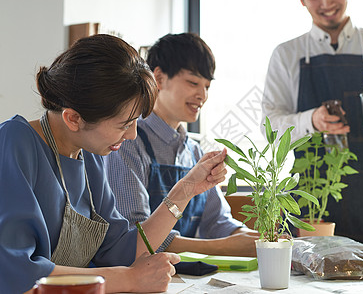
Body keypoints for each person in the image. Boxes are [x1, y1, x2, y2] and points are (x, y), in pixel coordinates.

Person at [0, 34, 228, 293]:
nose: (132, 135)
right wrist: (129, 279)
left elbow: (120, 252)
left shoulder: (89, 155)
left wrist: (185, 191)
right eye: (124, 124)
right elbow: (14, 273)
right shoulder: (13, 142)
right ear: (73, 118)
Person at [260, 0, 363, 244]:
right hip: (312, 197)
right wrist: (311, 120)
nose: (326, 3)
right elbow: (268, 126)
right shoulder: (287, 54)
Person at [105, 33, 258, 257]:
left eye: (207, 86)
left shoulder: (194, 151)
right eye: (193, 82)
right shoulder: (128, 142)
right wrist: (224, 247)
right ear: (159, 78)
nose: (202, 95)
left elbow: (216, 222)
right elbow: (134, 235)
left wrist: (250, 238)